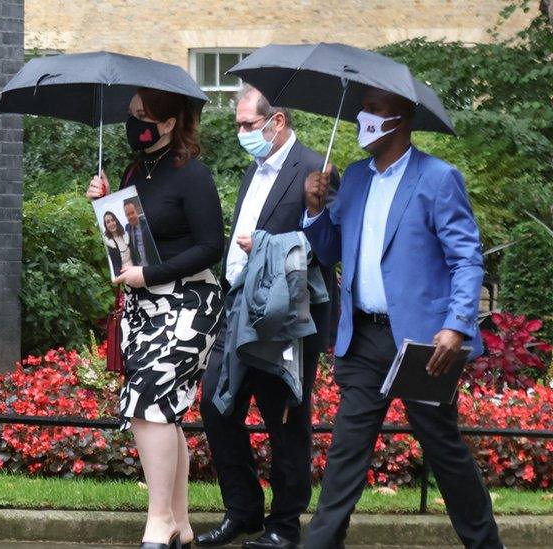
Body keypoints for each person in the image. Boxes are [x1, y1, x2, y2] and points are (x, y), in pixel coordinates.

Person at [301, 86, 503, 548]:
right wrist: (315, 210)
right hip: (363, 338)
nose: (362, 119)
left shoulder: (437, 178)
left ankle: (487, 543)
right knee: (345, 454)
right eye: (362, 110)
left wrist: (456, 325)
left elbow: (467, 260)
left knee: (444, 451)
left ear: (401, 119)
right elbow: (332, 251)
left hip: (422, 344)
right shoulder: (351, 178)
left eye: (373, 110)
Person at [196, 85, 338, 549]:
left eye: (247, 125)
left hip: (287, 319)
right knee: (217, 405)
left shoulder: (316, 169)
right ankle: (243, 511)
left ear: (276, 122)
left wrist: (273, 248)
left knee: (285, 421)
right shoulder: (252, 171)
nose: (241, 133)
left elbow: (330, 250)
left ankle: (284, 524)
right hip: (237, 308)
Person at [86, 88, 225, 549]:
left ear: (168, 123)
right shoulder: (133, 171)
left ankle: (159, 520)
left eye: (143, 116)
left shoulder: (193, 175)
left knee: (149, 402)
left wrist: (151, 274)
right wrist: (103, 204)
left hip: (191, 302)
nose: (134, 124)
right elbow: (128, 245)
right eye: (131, 115)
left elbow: (211, 247)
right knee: (163, 411)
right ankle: (180, 524)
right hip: (146, 304)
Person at [124, 199, 161, 266]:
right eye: (128, 214)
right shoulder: (127, 228)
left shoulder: (147, 225)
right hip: (138, 269)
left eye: (132, 213)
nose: (131, 216)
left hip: (153, 266)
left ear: (137, 211)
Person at [104, 210, 135, 274]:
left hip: (136, 269)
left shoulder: (126, 235)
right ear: (106, 225)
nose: (111, 223)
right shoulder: (107, 243)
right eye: (108, 222)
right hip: (122, 274)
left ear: (116, 221)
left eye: (113, 220)